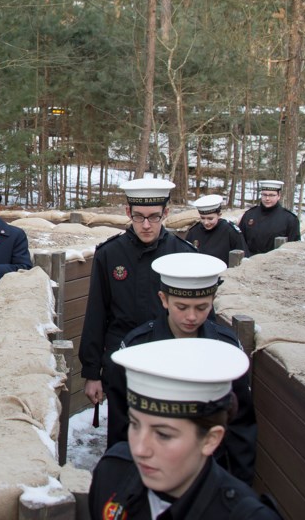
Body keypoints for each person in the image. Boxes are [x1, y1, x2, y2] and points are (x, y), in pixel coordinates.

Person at [106, 253, 257, 486]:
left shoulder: (225, 347)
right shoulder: (137, 348)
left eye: (202, 307)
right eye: (182, 306)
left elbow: (241, 424)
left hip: (209, 477)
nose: (191, 317)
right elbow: (121, 423)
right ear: (163, 299)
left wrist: (237, 484)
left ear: (213, 300)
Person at [89, 338, 281, 519]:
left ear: (210, 439)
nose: (139, 449)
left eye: (163, 435)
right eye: (135, 424)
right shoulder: (112, 474)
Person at [79, 177, 197, 443]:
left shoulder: (182, 254)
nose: (146, 225)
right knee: (122, 439)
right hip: (121, 363)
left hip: (168, 363)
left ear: (166, 213)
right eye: (139, 217)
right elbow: (96, 314)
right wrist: (91, 372)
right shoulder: (110, 254)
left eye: (154, 217)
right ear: (127, 212)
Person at [238, 180, 300, 255]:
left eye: (271, 195)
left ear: (279, 196)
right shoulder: (249, 215)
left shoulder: (289, 219)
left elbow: (293, 247)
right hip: (249, 262)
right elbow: (239, 241)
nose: (267, 198)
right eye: (264, 195)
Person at [185, 194, 249, 264]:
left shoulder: (230, 231)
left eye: (210, 218)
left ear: (219, 215)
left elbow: (243, 259)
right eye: (202, 218)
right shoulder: (194, 231)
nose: (206, 222)